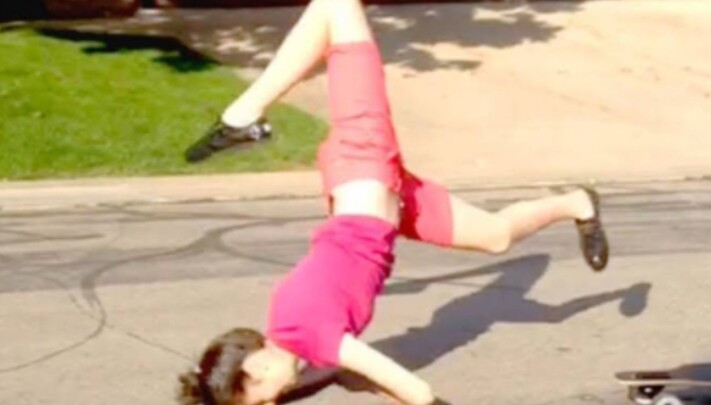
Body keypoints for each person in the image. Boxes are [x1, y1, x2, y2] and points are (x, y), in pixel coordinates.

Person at [178, 0, 609, 404]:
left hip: (363, 168)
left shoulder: (314, 337)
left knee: (338, 5)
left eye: (262, 399)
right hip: (383, 198)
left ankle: (242, 114)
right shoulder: (287, 332)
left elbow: (414, 390)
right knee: (495, 236)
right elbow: (325, 372)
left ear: (257, 365)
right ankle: (577, 203)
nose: (272, 402)